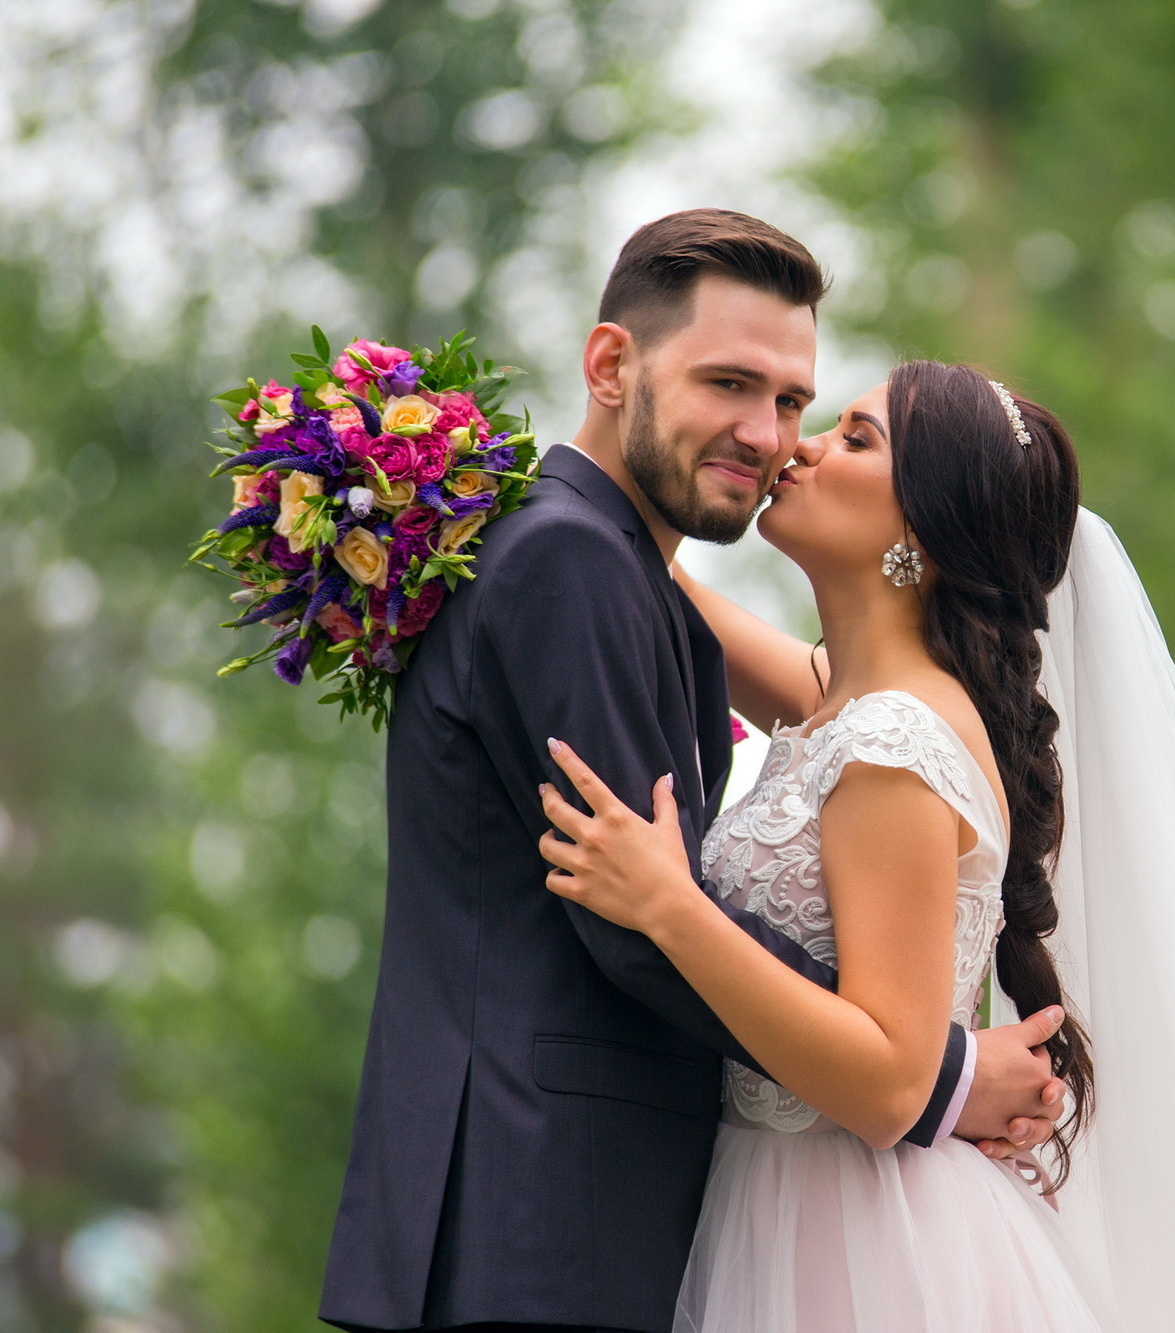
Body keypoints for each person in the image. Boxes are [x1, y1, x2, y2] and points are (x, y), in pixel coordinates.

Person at [318, 211, 1069, 1333]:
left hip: (713, 1225)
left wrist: (910, 1071)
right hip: (537, 1207)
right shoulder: (580, 561)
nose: (774, 438)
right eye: (730, 383)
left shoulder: (845, 699)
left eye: (799, 407)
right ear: (612, 364)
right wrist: (937, 1080)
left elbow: (671, 872)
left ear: (928, 533)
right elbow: (632, 922)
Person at [538, 359, 1175, 1331]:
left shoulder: (891, 743)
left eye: (855, 438)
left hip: (849, 1241)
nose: (797, 444)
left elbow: (890, 1079)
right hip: (787, 1205)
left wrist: (670, 907)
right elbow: (646, 572)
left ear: (922, 532)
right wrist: (472, 468)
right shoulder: (846, 700)